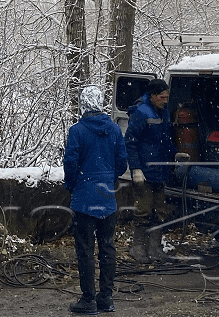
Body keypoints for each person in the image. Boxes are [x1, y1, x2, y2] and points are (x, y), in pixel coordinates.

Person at [62, 85, 129, 315]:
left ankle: (88, 300)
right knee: (108, 247)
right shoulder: (113, 129)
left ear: (83, 104)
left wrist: (71, 184)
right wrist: (109, 177)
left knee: (85, 250)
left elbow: (70, 163)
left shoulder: (77, 131)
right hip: (107, 198)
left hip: (83, 198)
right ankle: (106, 298)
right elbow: (121, 162)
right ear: (101, 103)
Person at [124, 78, 176, 263]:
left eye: (167, 97)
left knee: (160, 210)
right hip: (145, 172)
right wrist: (136, 168)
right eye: (162, 97)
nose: (165, 100)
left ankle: (155, 248)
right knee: (143, 211)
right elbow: (130, 142)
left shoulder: (164, 113)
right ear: (153, 96)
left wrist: (175, 155)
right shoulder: (141, 113)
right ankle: (137, 248)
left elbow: (166, 140)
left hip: (160, 171)